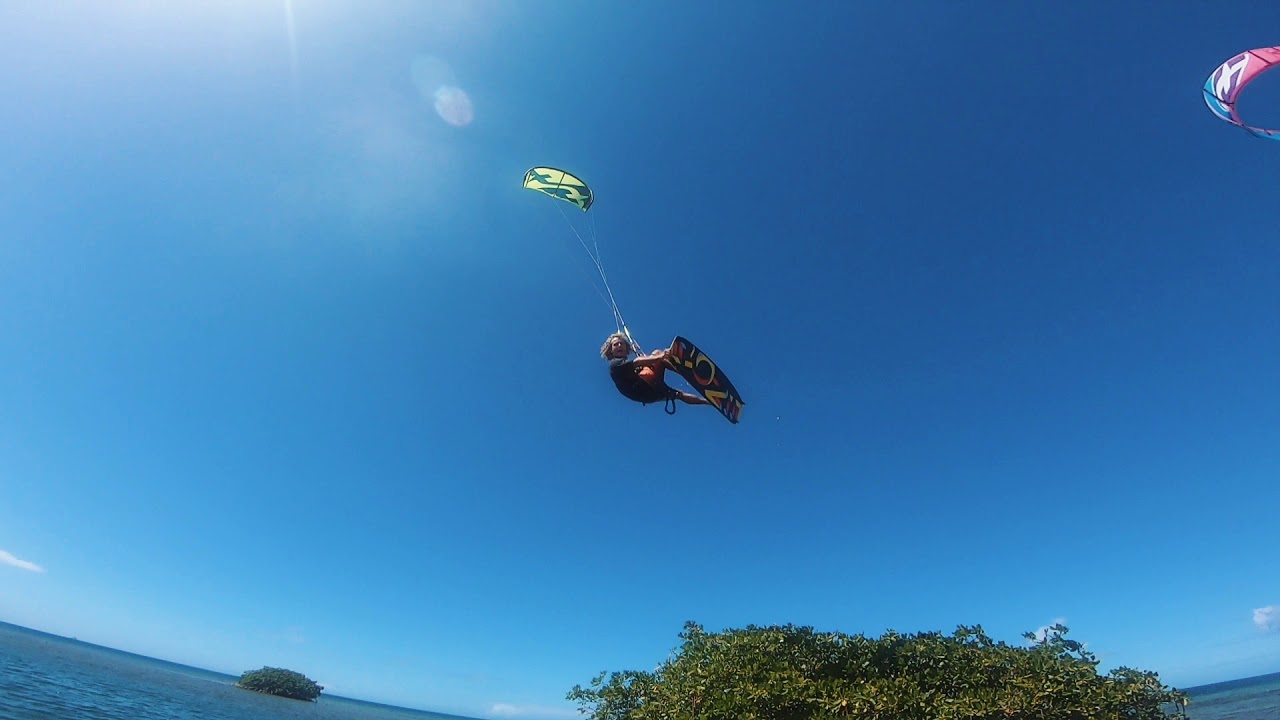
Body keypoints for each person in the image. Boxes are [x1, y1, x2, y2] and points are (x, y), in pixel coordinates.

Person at [600, 332, 709, 410]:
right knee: (656, 353)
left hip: (651, 395)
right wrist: (661, 356)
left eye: (621, 343)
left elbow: (637, 366)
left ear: (626, 348)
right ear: (611, 350)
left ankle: (708, 402)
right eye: (615, 344)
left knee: (680, 395)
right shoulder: (615, 365)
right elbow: (637, 362)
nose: (619, 345)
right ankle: (684, 372)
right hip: (644, 387)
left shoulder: (627, 366)